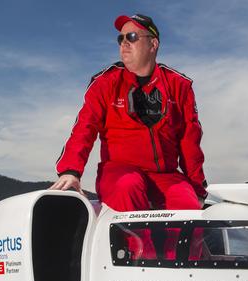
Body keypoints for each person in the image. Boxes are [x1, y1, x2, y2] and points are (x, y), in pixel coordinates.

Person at [50, 14, 207, 216]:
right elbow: (84, 128)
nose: (124, 43)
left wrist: (197, 187)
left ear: (153, 44)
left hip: (164, 175)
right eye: (120, 38)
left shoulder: (179, 86)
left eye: (131, 37)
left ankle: (177, 248)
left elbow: (190, 140)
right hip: (118, 172)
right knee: (129, 185)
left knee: (187, 202)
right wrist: (71, 171)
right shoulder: (106, 83)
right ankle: (138, 248)